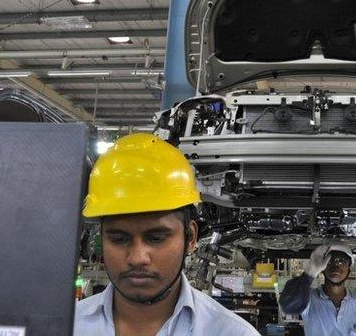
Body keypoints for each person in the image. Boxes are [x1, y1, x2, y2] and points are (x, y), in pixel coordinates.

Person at [74, 133, 259, 336]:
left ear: (190, 237)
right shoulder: (67, 327)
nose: (137, 258)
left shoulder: (230, 333)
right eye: (119, 239)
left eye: (156, 238)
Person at [279, 244, 356, 336]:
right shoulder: (310, 298)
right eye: (330, 261)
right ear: (323, 268)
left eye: (342, 261)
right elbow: (288, 305)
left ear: (349, 271)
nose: (336, 266)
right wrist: (311, 271)